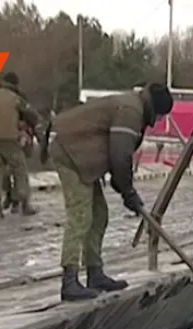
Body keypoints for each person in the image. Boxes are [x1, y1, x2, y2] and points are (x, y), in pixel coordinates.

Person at [49, 82, 174, 301]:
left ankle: (95, 273)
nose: (159, 121)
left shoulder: (135, 106)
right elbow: (120, 155)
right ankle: (69, 281)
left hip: (84, 159)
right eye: (161, 116)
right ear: (155, 108)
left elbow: (118, 157)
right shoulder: (131, 111)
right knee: (81, 216)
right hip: (70, 153)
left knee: (99, 215)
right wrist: (128, 193)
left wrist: (125, 190)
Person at [0, 71, 41, 219]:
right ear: (15, 84)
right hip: (10, 139)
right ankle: (25, 205)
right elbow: (32, 115)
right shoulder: (16, 99)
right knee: (20, 170)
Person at [1, 120, 35, 213]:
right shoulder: (23, 134)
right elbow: (21, 145)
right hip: (16, 155)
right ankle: (24, 205)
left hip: (6, 152)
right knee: (21, 179)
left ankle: (11, 200)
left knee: (8, 176)